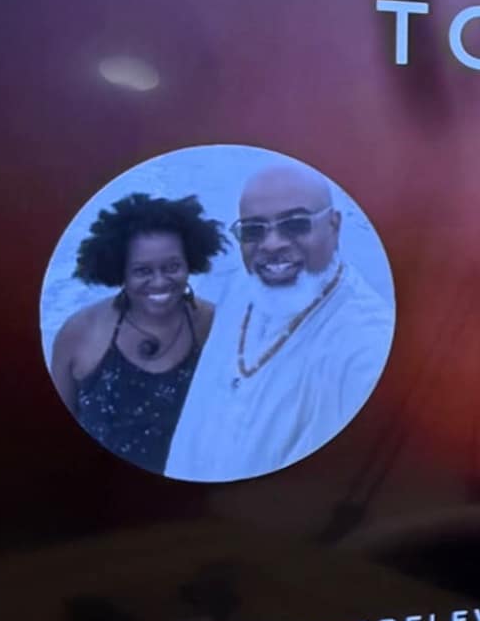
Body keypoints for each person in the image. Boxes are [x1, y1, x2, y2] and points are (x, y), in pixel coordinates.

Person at [163, 161, 396, 483]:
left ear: (334, 225)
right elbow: (196, 420)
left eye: (295, 224)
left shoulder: (366, 346)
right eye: (254, 230)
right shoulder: (240, 289)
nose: (272, 244)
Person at [47, 190, 224, 475]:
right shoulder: (79, 333)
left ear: (190, 261)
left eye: (172, 267)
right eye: (142, 271)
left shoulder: (217, 326)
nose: (160, 282)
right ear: (120, 271)